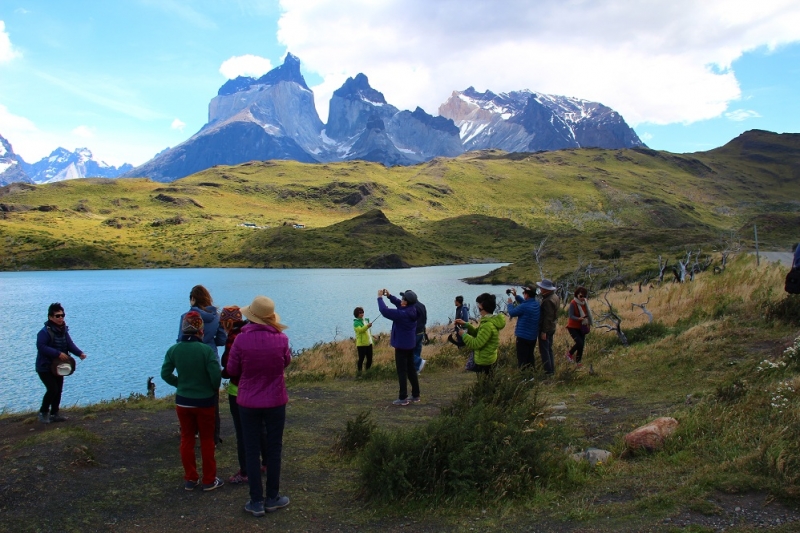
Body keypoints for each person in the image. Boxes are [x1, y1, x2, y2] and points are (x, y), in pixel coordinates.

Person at [226, 296, 291, 518]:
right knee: (274, 449)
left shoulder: (240, 341)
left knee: (251, 449)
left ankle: (256, 501)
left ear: (251, 317)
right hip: (275, 401)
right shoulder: (281, 339)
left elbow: (232, 369)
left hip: (248, 402)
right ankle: (272, 497)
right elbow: (286, 362)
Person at [161, 311, 223, 491]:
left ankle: (190, 478)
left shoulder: (174, 350)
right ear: (200, 330)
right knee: (206, 440)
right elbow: (215, 376)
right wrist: (211, 388)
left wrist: (179, 384)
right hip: (204, 401)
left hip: (183, 401)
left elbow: (165, 374)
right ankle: (209, 480)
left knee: (187, 439)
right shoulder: (205, 350)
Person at [220, 306, 268, 485]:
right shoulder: (252, 334)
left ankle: (246, 471)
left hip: (238, 390)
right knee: (261, 428)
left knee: (243, 433)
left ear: (227, 322)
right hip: (259, 389)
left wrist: (223, 374)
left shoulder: (233, 338)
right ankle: (267, 463)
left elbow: (229, 365)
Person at [177, 285, 227, 445]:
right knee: (213, 397)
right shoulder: (216, 317)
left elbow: (181, 339)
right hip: (211, 358)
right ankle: (214, 435)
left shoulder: (186, 316)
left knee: (190, 393)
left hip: (190, 360)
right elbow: (222, 340)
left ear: (193, 299)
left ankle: (191, 431)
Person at [35, 303, 87, 424]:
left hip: (58, 367)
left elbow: (69, 344)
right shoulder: (44, 332)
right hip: (45, 367)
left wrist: (79, 353)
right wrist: (57, 353)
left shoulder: (63, 331)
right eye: (57, 316)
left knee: (58, 390)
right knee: (52, 389)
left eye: (62, 315)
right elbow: (41, 346)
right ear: (50, 317)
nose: (60, 318)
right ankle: (43, 412)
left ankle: (54, 414)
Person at [378, 288, 419, 406]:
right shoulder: (412, 310)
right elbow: (398, 304)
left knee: (402, 371)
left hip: (401, 346)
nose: (401, 299)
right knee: (411, 369)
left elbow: (384, 311)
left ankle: (403, 398)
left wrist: (379, 298)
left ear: (406, 302)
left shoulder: (403, 314)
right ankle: (416, 395)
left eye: (403, 298)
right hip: (410, 345)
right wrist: (389, 296)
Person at [454, 293, 505, 375]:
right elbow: (477, 333)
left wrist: (463, 335)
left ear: (484, 309)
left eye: (479, 308)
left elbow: (476, 344)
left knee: (485, 383)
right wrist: (466, 324)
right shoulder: (488, 321)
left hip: (484, 360)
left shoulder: (487, 325)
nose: (478, 309)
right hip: (487, 358)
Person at [507, 286, 540, 369]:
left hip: (523, 337)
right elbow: (525, 303)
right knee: (530, 357)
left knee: (522, 359)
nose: (523, 294)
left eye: (524, 293)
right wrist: (516, 296)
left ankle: (523, 378)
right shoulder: (536, 304)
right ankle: (531, 375)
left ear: (527, 295)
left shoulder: (525, 307)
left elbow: (512, 313)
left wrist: (510, 304)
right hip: (532, 337)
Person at [537, 279, 561, 376]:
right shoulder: (554, 297)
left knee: (544, 350)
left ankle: (548, 372)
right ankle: (551, 370)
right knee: (549, 349)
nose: (540, 289)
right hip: (552, 327)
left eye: (542, 287)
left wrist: (544, 331)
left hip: (547, 328)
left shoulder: (548, 300)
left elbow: (548, 317)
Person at [565, 287, 593, 367]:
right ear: (577, 295)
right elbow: (570, 315)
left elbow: (587, 313)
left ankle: (578, 362)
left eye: (584, 296)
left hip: (582, 326)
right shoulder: (573, 303)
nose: (582, 298)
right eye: (581, 296)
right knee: (579, 343)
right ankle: (569, 354)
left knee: (581, 345)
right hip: (573, 327)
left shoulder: (585, 303)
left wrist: (587, 321)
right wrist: (578, 318)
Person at [404, 290, 427, 374]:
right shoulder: (422, 306)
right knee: (417, 351)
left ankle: (419, 361)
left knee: (407, 352)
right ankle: (416, 370)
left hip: (413, 332)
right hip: (421, 331)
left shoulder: (412, 307)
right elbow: (425, 319)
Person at [353, 307, 374, 373]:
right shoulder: (356, 323)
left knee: (370, 359)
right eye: (360, 312)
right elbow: (360, 330)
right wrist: (367, 326)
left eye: (362, 312)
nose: (362, 314)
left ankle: (367, 372)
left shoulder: (366, 320)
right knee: (361, 359)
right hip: (361, 344)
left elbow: (367, 331)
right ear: (357, 314)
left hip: (369, 343)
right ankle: (359, 373)